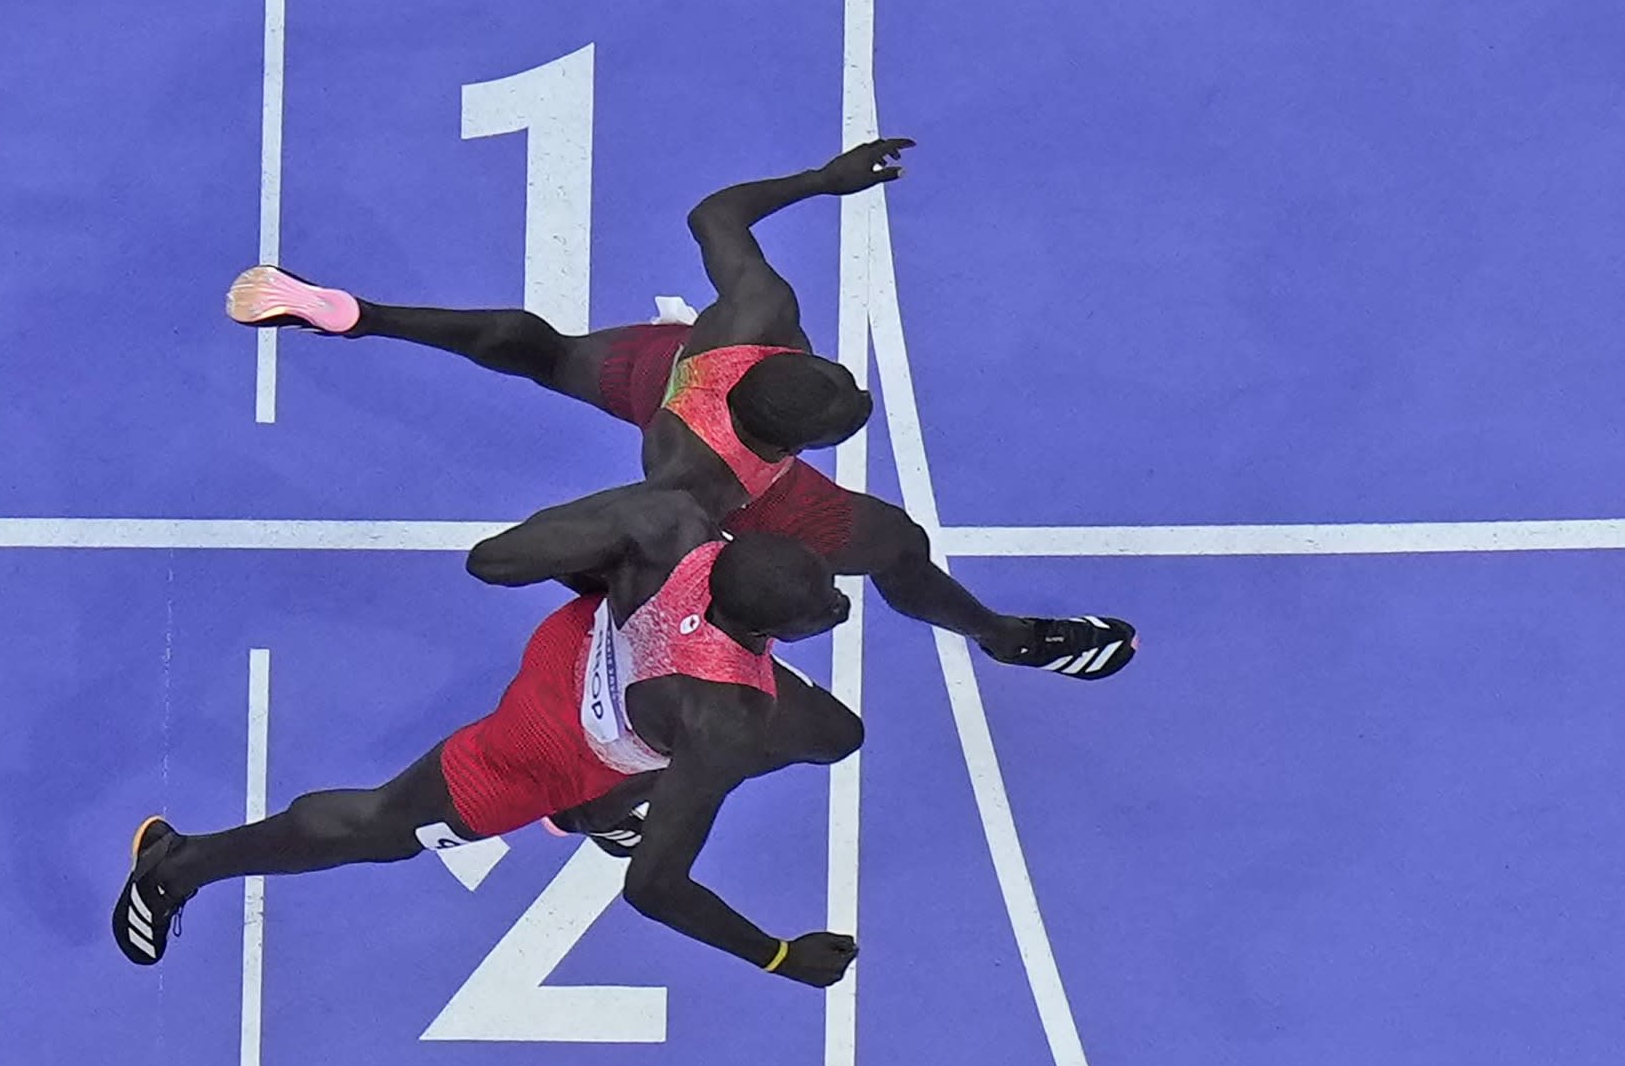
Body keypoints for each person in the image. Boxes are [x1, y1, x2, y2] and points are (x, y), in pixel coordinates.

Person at [229, 140, 1135, 681]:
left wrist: (824, 179)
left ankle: (357, 315)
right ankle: (1003, 638)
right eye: (844, 419)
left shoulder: (755, 317)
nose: (859, 403)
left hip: (668, 370)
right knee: (896, 545)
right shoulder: (699, 485)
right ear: (787, 439)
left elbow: (716, 212)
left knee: (538, 348)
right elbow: (647, 547)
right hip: (730, 480)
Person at [113, 485, 862, 984]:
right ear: (764, 627)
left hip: (579, 643)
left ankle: (595, 812)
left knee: (832, 733)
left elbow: (495, 560)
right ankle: (177, 865)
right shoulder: (723, 718)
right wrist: (777, 956)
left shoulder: (672, 521)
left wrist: (612, 583)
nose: (837, 608)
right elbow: (655, 889)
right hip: (541, 748)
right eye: (821, 608)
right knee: (378, 826)